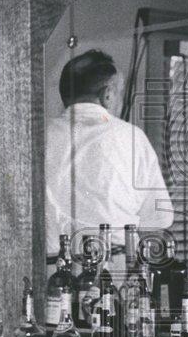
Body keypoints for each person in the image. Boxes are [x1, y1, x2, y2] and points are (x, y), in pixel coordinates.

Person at [45, 49, 174, 258]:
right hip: (113, 271)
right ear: (107, 94)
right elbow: (158, 219)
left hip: (51, 272)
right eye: (120, 93)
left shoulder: (39, 138)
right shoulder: (133, 138)